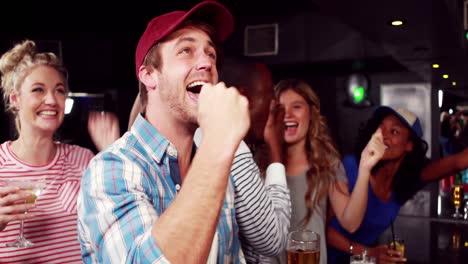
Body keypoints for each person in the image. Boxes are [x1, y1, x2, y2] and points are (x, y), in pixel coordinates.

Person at [77, 1, 250, 263]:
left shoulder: (214, 169)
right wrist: (217, 144)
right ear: (149, 75)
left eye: (211, 54)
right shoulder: (112, 169)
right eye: (186, 51)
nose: (206, 63)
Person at [0, 40, 118, 263]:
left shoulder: (83, 159)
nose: (52, 100)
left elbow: (118, 224)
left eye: (60, 91)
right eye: (38, 90)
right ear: (15, 99)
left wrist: (112, 155)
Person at [327, 106, 468, 263]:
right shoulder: (351, 168)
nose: (383, 137)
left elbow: (458, 162)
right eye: (380, 128)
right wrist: (366, 251)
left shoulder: (405, 181)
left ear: (409, 145)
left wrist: (370, 254)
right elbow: (322, 227)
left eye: (394, 132)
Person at [270, 79, 385, 264]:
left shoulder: (327, 163)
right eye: (280, 108)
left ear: (312, 113)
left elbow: (351, 222)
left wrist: (365, 168)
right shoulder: (260, 165)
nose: (287, 115)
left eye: (297, 107)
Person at [194, 57, 291, 263]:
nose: (275, 105)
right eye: (269, 94)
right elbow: (272, 239)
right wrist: (276, 148)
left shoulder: (234, 141)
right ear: (243, 98)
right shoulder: (230, 142)